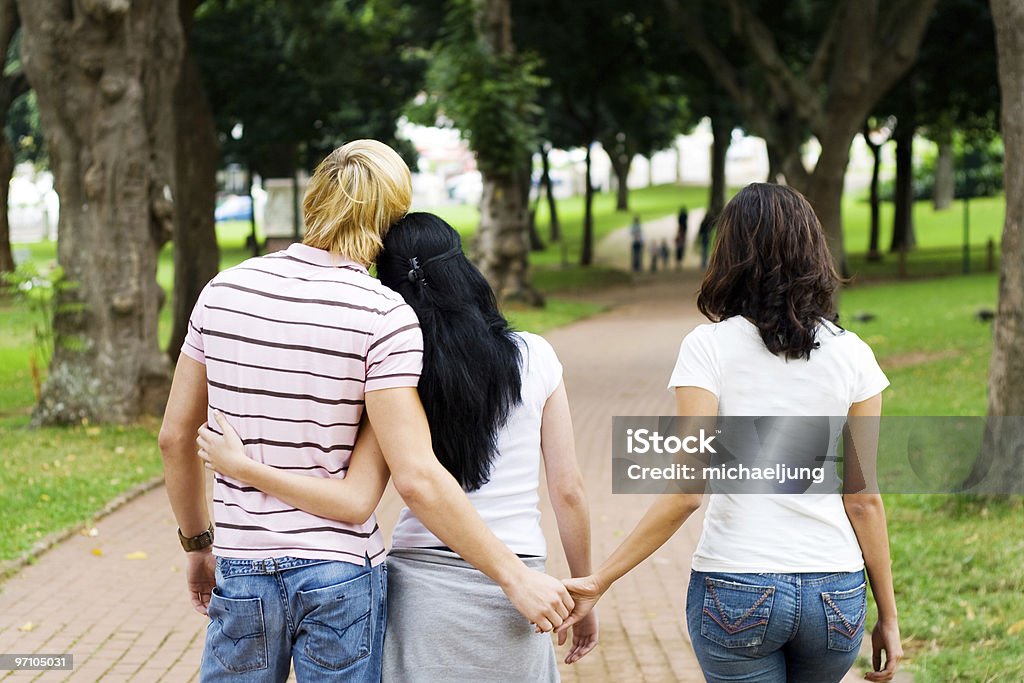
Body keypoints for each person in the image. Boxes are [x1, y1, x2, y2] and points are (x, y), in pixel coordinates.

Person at [159, 140, 573, 683]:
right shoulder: (386, 315)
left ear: (314, 200)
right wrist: (514, 577)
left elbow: (174, 437)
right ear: (391, 217)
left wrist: (197, 544)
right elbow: (415, 476)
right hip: (341, 574)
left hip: (243, 563)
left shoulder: (223, 291)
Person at [558, 183, 902, 683]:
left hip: (737, 585)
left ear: (730, 254)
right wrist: (888, 616)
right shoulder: (854, 355)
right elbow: (863, 499)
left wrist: (600, 579)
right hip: (836, 593)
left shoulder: (708, 348)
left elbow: (685, 492)